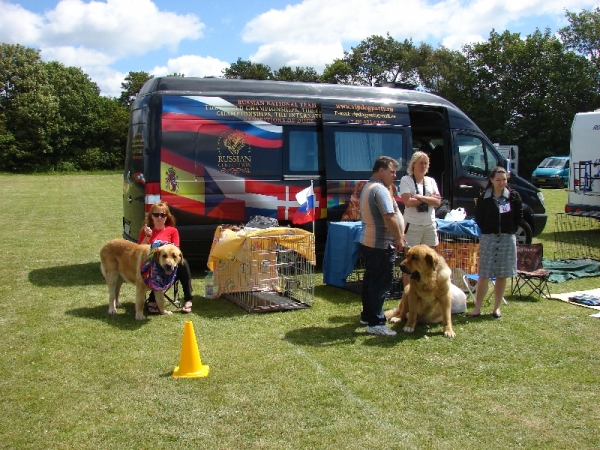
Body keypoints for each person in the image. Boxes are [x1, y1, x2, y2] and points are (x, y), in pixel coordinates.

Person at [358, 156, 405, 336]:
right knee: (380, 284)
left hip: (369, 242)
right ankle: (376, 322)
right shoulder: (379, 190)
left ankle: (367, 315)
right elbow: (389, 216)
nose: (394, 175)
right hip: (379, 245)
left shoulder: (369, 186)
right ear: (381, 171)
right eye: (392, 172)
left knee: (371, 280)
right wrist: (399, 238)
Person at [468, 166, 523, 318]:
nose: (501, 182)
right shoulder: (484, 197)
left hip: (506, 238)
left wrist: (510, 228)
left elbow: (519, 216)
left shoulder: (513, 196)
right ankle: (477, 308)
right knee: (484, 274)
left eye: (504, 179)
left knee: (502, 274)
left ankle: (496, 308)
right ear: (491, 180)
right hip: (489, 237)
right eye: (498, 180)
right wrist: (488, 228)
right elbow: (479, 217)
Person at [138, 202, 194, 314]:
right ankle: (153, 299)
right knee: (154, 269)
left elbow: (176, 250)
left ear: (166, 217)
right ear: (151, 216)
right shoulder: (146, 231)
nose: (159, 217)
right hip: (151, 265)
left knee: (184, 264)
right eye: (156, 214)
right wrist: (147, 237)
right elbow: (139, 250)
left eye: (162, 215)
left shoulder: (172, 231)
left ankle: (188, 299)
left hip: (168, 264)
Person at [399, 151, 442, 288]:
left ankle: (427, 288)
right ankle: (408, 293)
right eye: (420, 163)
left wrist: (419, 197)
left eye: (425, 163)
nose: (423, 166)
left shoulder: (431, 181)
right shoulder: (406, 180)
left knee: (431, 259)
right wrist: (429, 198)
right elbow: (408, 202)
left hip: (429, 224)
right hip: (413, 225)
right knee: (410, 261)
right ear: (413, 164)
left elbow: (437, 202)